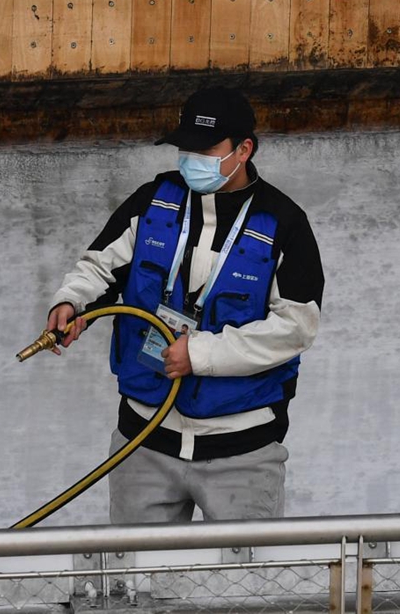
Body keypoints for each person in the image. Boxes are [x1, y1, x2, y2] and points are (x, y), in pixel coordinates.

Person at [46, 86, 324, 523]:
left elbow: (296, 328)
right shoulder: (151, 201)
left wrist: (200, 355)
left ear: (243, 150)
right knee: (136, 568)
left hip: (242, 451)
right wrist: (70, 301)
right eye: (186, 148)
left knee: (243, 570)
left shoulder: (284, 223)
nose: (192, 159)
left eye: (206, 149)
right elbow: (100, 267)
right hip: (143, 441)